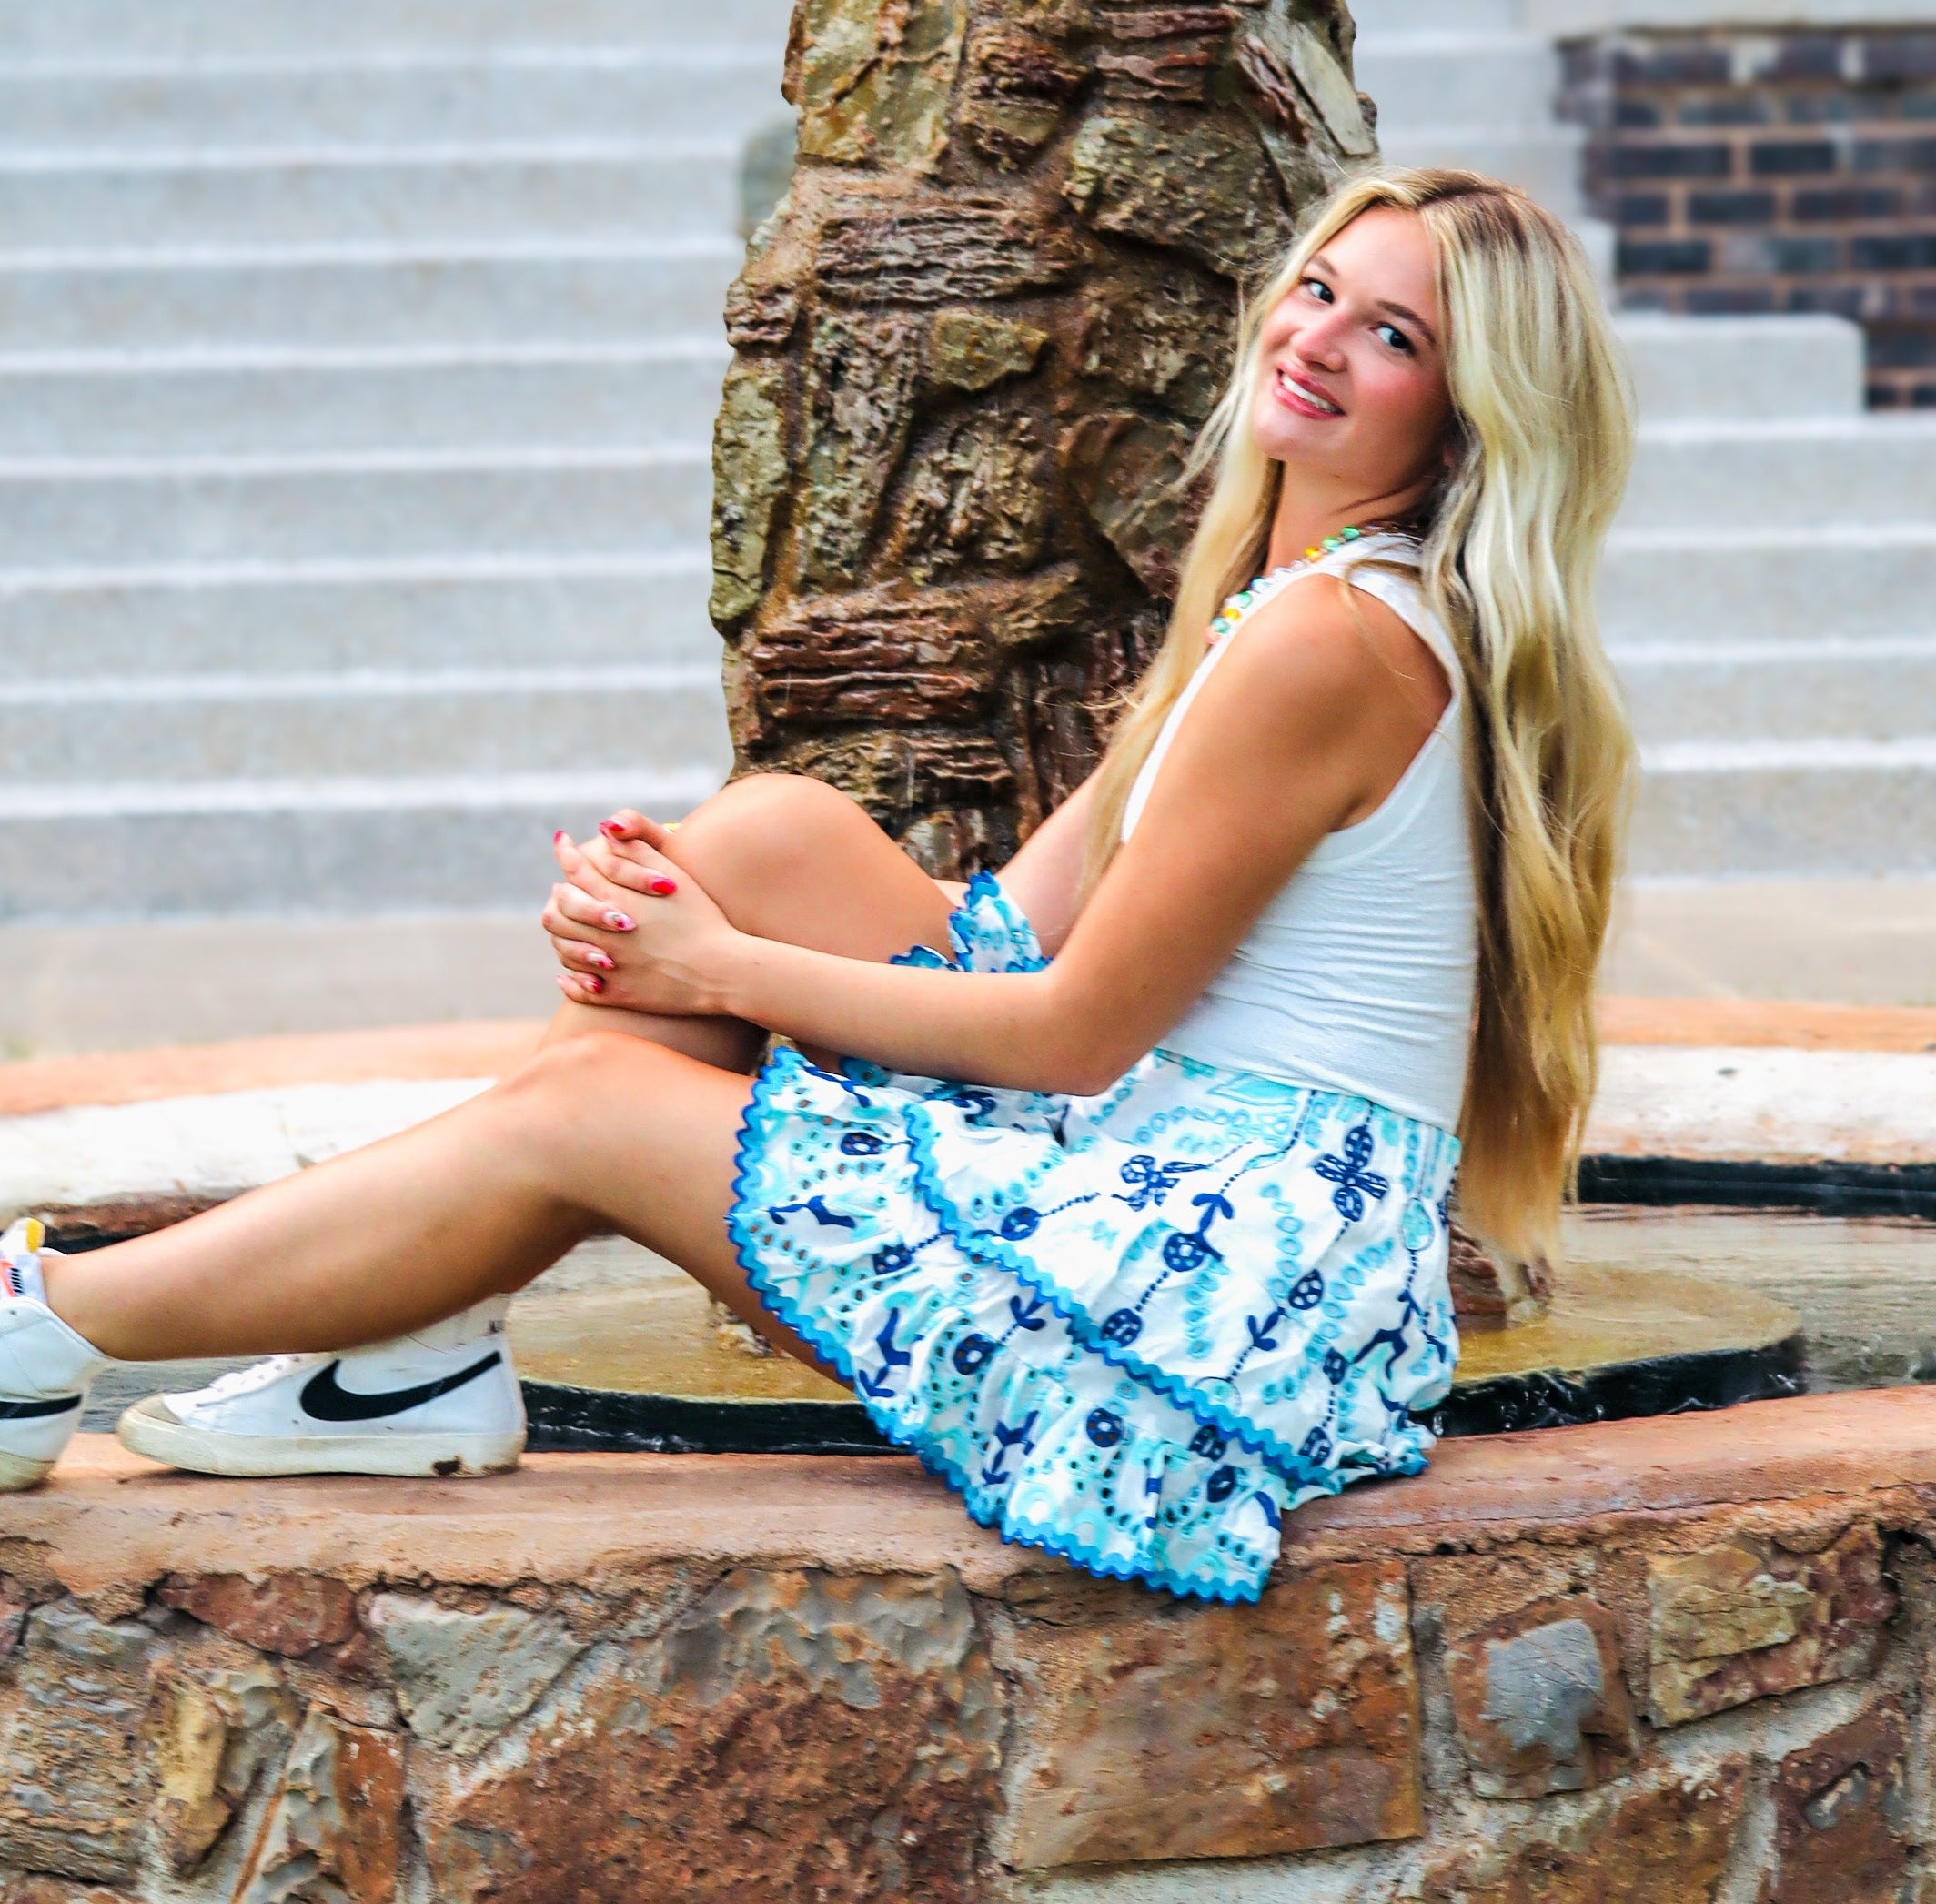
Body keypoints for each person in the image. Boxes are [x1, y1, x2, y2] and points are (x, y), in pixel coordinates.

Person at [0, 166, 1633, 1605]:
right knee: (775, 828)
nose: (1321, 337)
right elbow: (1012, 933)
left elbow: (1067, 1031)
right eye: (1321, 288)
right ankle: (405, 1354)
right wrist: (691, 924)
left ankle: (53, 1320)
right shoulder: (1293, 598)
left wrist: (712, 971)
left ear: (1463, 413)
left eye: (1393, 336)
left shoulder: (1329, 642)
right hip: (1203, 1195)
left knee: (585, 1111)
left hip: (1205, 1306)